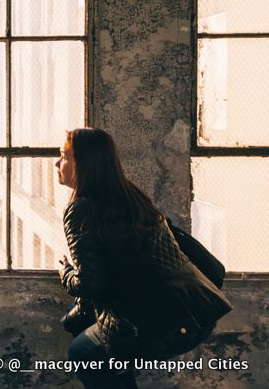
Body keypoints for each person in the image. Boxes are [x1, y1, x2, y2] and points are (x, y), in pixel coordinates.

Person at [55, 128, 232, 388]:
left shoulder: (79, 209)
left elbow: (92, 284)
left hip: (159, 323)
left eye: (64, 156)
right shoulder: (131, 196)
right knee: (109, 359)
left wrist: (66, 273)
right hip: (195, 311)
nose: (57, 163)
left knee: (81, 354)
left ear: (85, 164)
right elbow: (116, 269)